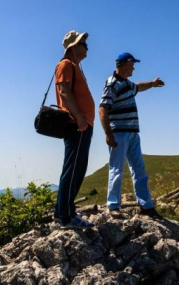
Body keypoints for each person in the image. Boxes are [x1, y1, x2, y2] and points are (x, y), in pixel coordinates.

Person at [99, 52, 165, 218]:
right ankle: (113, 206)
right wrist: (108, 133)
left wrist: (152, 83)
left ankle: (146, 205)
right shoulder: (112, 83)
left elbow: (139, 87)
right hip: (119, 133)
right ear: (125, 64)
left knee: (139, 169)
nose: (134, 67)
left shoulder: (127, 84)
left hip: (133, 133)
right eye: (132, 64)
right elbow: (102, 108)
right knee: (117, 169)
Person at [54, 30, 95, 229]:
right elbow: (63, 91)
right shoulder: (66, 64)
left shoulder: (76, 67)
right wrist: (79, 117)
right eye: (83, 44)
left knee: (76, 169)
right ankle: (66, 217)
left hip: (83, 124)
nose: (86, 47)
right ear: (74, 47)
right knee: (73, 169)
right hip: (77, 124)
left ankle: (64, 211)